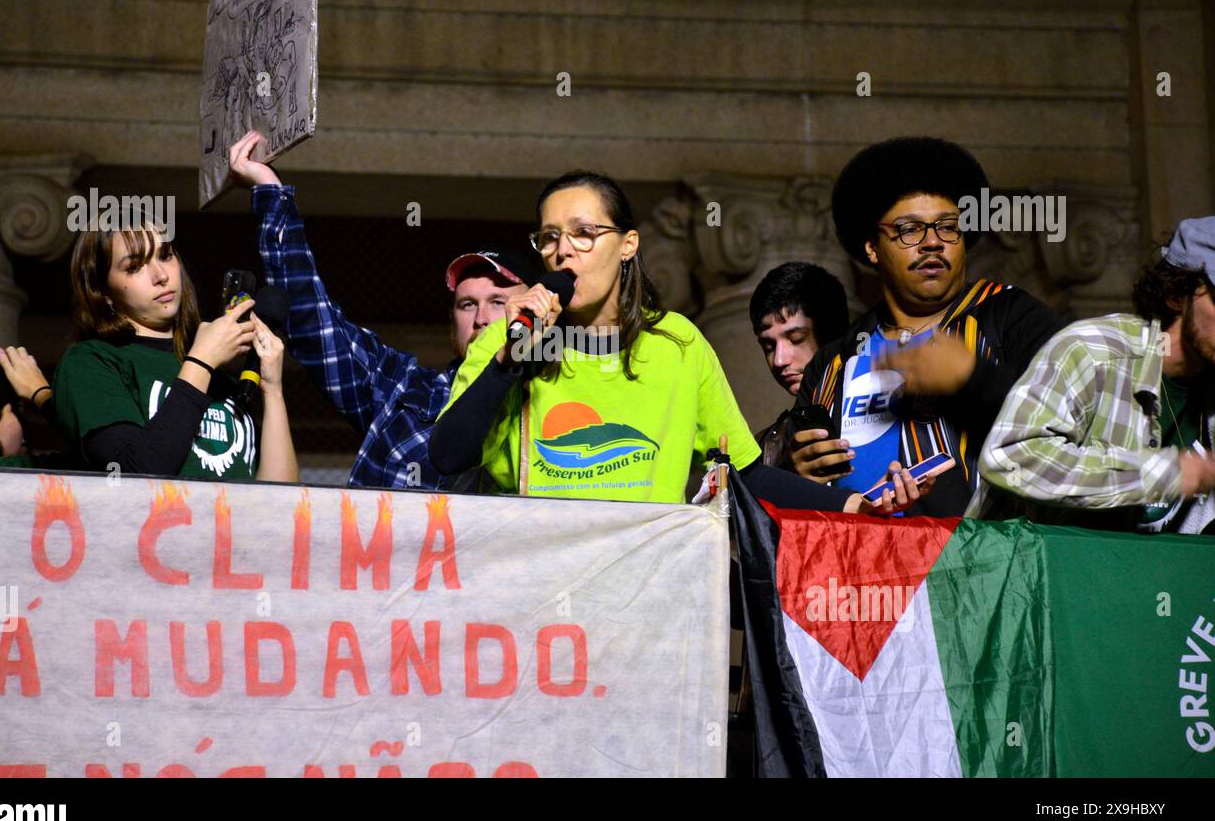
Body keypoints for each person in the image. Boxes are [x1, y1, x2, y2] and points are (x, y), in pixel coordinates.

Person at [428, 169, 928, 514]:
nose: (563, 252)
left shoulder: (675, 343)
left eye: (584, 233)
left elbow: (745, 475)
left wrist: (856, 504)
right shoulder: (506, 338)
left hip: (648, 601)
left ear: (628, 245)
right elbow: (450, 457)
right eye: (550, 237)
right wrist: (508, 360)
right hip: (541, 600)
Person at [227, 131, 538, 491]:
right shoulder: (406, 389)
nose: (482, 318)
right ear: (452, 327)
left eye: (498, 302)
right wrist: (269, 190)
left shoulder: (563, 392)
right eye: (468, 304)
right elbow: (315, 323)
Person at [783, 136, 1063, 516]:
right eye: (909, 230)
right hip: (861, 568)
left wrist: (971, 380)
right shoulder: (834, 361)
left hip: (989, 562)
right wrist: (799, 476)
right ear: (872, 247)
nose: (932, 242)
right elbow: (799, 493)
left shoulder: (1011, 318)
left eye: (948, 227)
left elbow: (1068, 432)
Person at [970, 217, 1215, 531]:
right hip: (1031, 570)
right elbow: (1008, 458)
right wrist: (1164, 474)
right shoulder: (1093, 352)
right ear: (1176, 294)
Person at [52, 224, 298, 482]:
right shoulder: (90, 362)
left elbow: (280, 503)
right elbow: (132, 476)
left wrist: (273, 390)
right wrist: (201, 361)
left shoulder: (219, 378)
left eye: (165, 255)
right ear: (102, 292)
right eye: (134, 267)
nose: (161, 276)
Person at [749, 261, 849, 466]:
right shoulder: (765, 446)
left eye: (796, 339)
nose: (779, 360)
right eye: (768, 346)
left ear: (832, 333)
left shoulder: (880, 408)